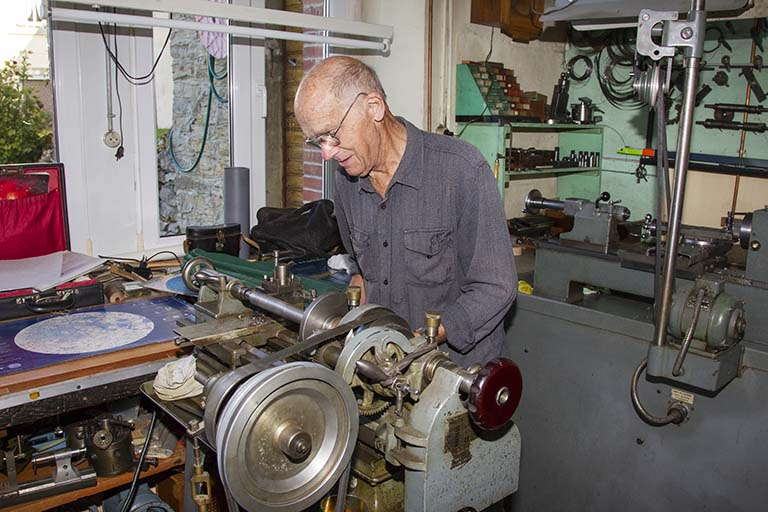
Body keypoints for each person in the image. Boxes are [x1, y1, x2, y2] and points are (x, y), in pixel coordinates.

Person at [295, 56, 517, 367]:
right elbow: (360, 265)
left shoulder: (461, 170)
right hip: (385, 365)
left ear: (374, 107)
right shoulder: (345, 180)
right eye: (317, 141)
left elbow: (496, 286)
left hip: (457, 370)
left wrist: (429, 335)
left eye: (332, 134)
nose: (327, 153)